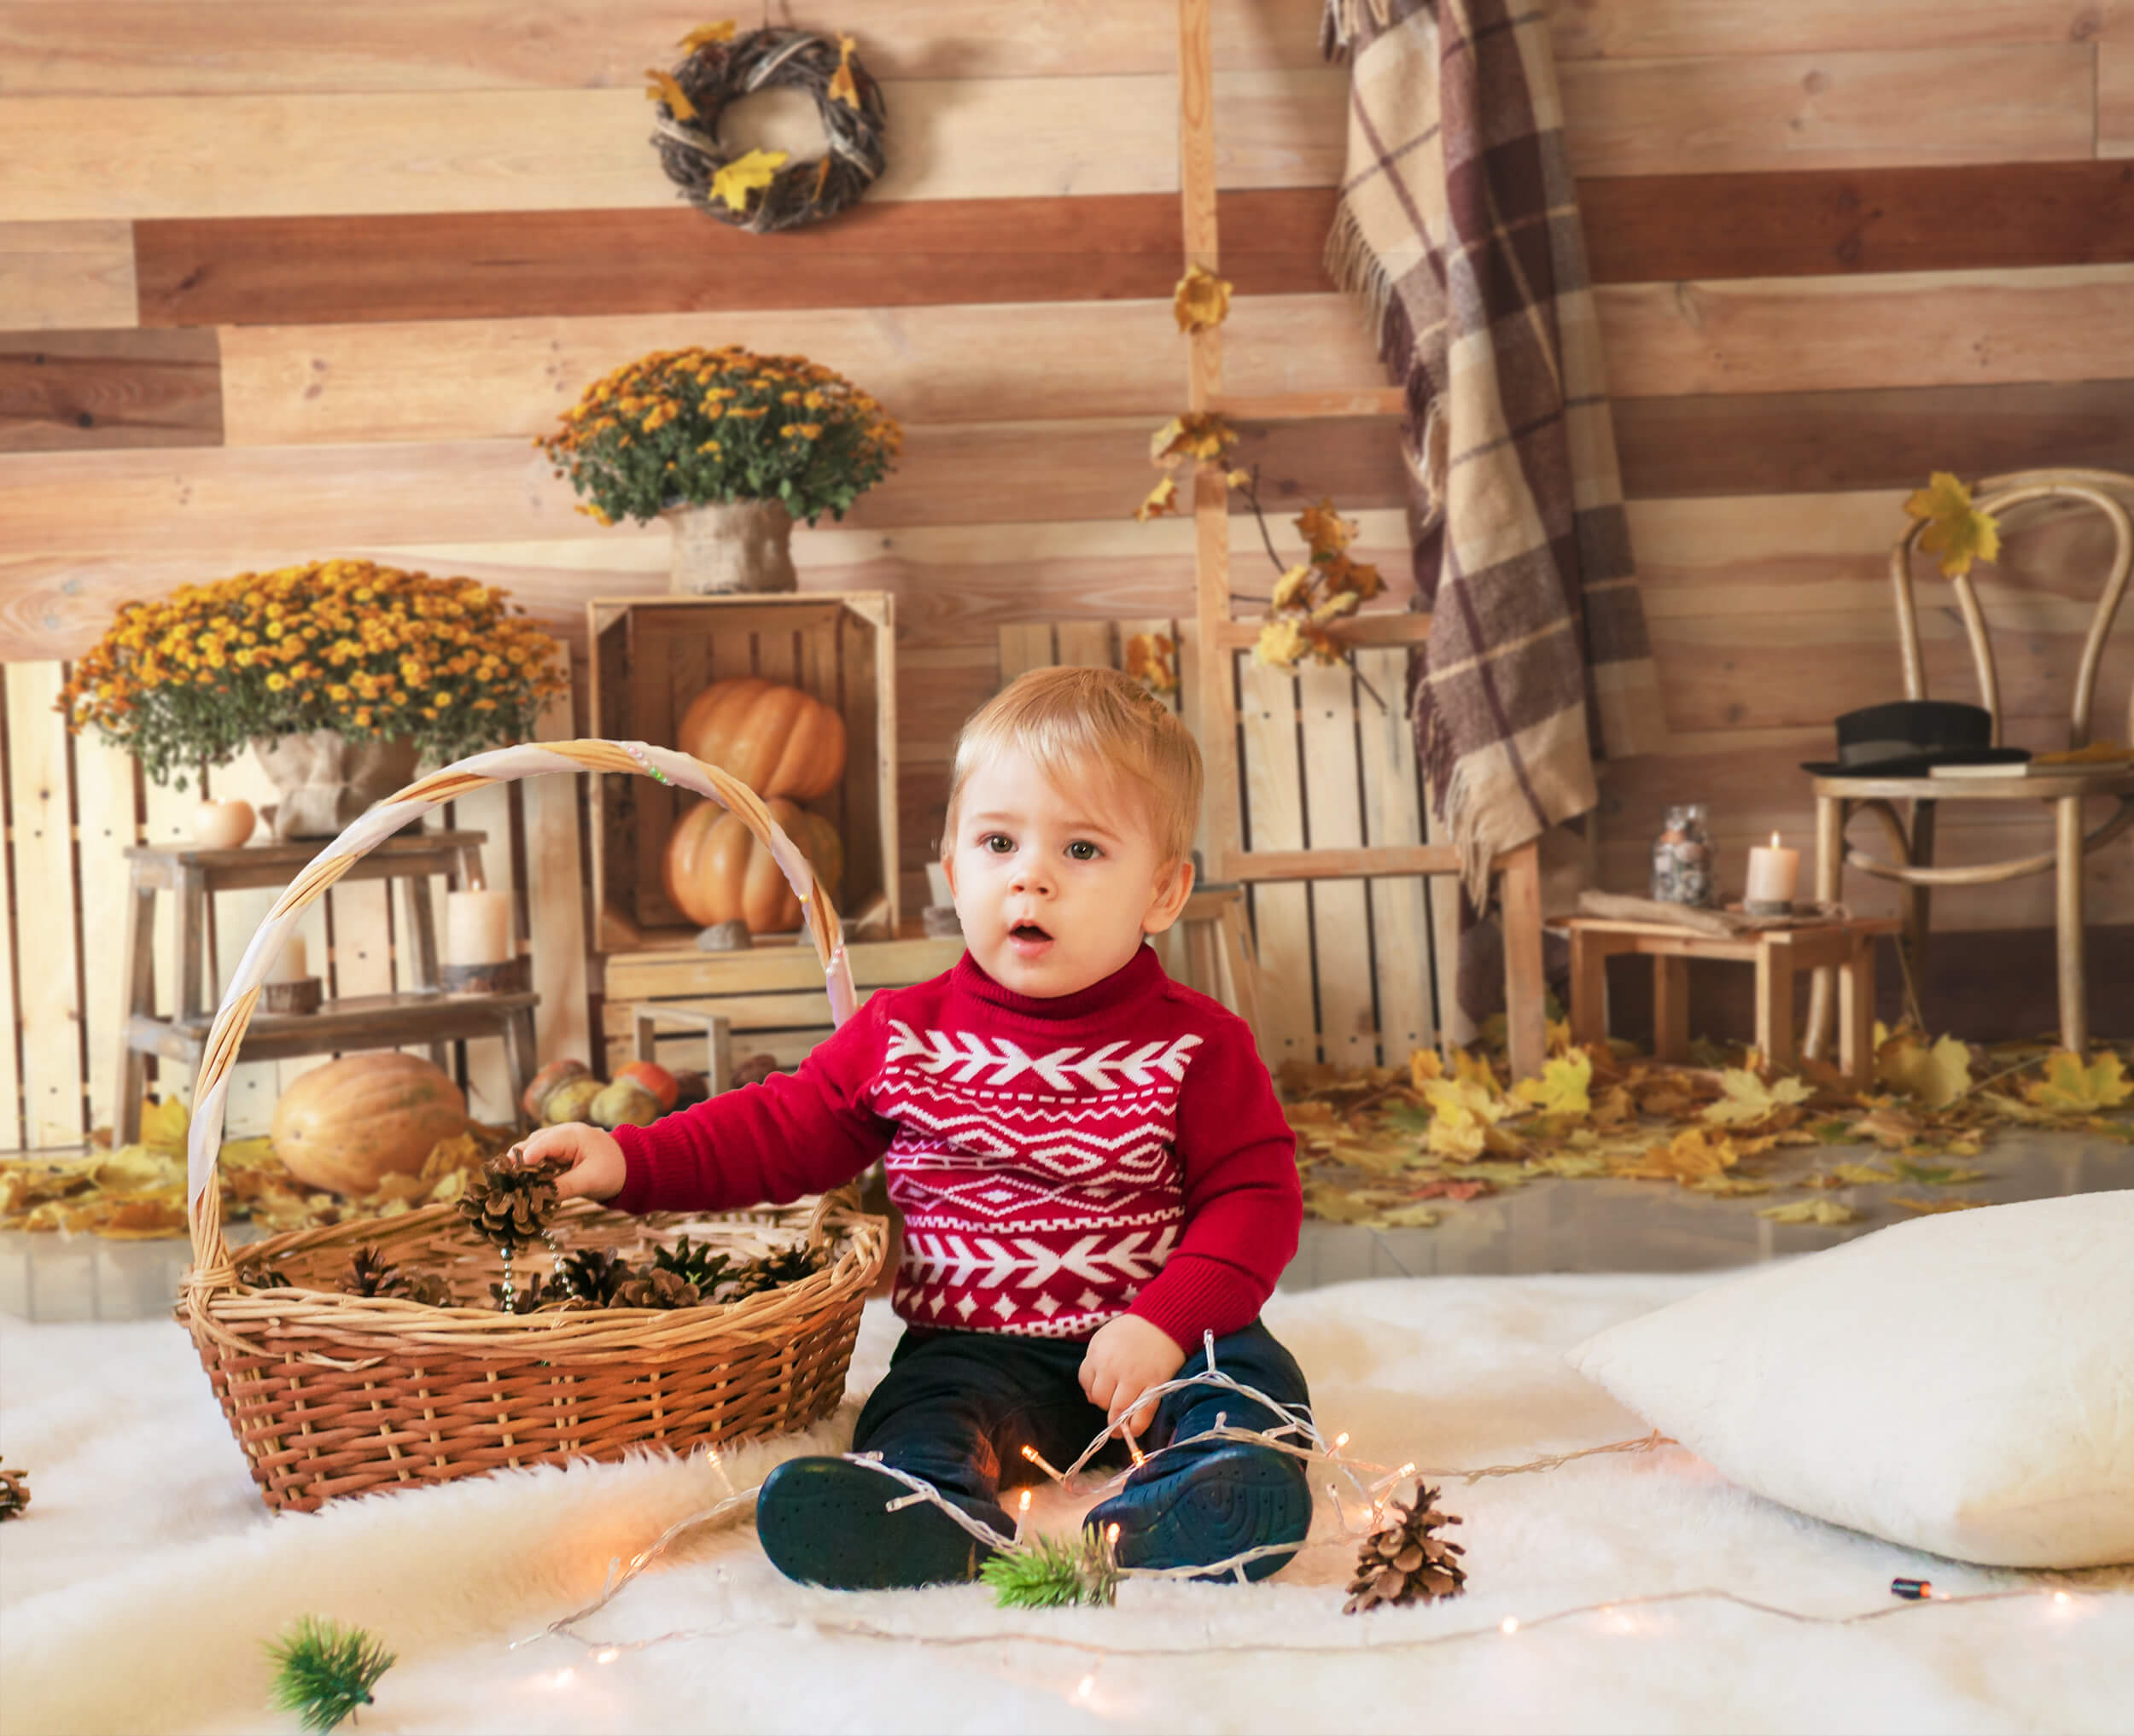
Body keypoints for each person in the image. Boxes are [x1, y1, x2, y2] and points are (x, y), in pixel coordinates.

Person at [520, 666, 1312, 1590]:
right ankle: (922, 1507)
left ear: (1163, 894)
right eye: (998, 843)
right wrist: (627, 1158)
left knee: (1248, 1378)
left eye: (1083, 850)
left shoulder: (1196, 1045)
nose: (1031, 877)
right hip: (980, 1350)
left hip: (1156, 1344)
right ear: (953, 871)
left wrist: (1166, 1323)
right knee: (919, 1407)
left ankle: (1210, 1490)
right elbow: (776, 1129)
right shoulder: (903, 1036)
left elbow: (1255, 1200)